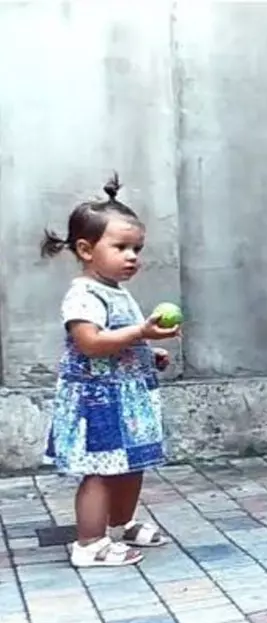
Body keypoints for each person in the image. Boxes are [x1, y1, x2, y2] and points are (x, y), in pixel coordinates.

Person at [40, 174, 179, 567]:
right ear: (85, 249)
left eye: (137, 248)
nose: (132, 256)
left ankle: (121, 523)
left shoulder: (116, 291)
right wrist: (141, 331)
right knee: (99, 472)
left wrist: (147, 353)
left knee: (131, 464)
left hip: (126, 397)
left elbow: (118, 344)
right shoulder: (83, 294)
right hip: (97, 401)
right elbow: (89, 342)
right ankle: (89, 544)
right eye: (121, 247)